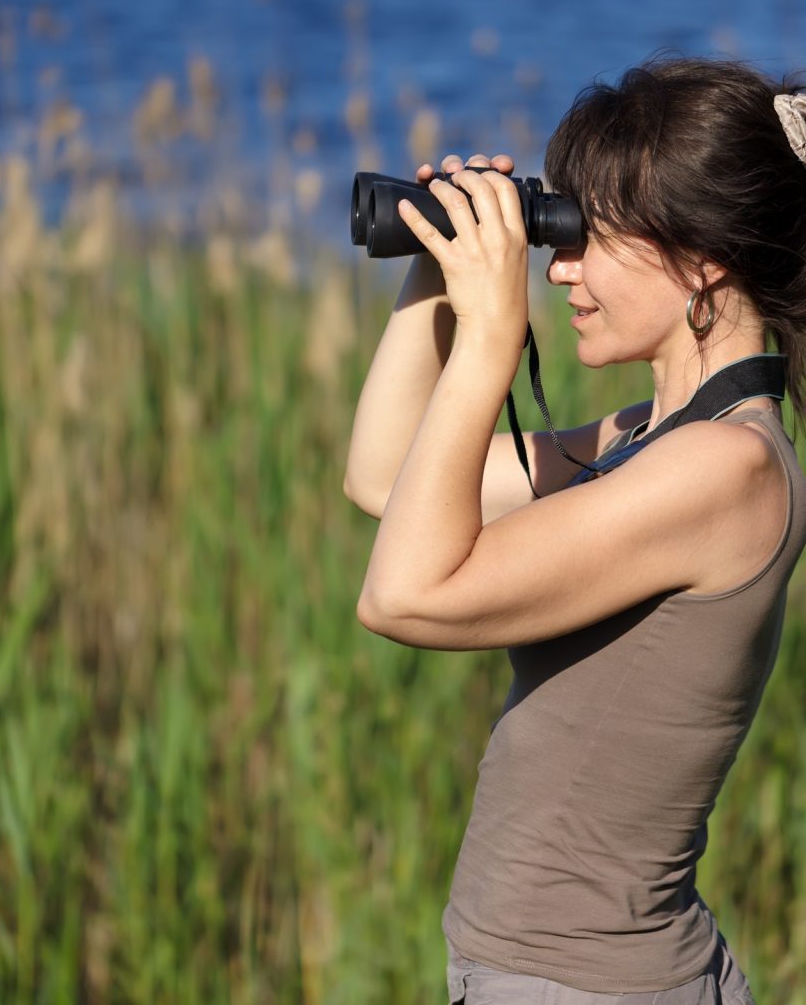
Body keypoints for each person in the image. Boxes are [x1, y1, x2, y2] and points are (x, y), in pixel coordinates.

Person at [344, 57, 806, 1004]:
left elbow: (404, 594)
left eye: (588, 236)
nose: (559, 267)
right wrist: (438, 268)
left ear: (702, 257)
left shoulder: (727, 470)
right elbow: (385, 480)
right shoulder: (651, 438)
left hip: (595, 986)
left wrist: (487, 334)